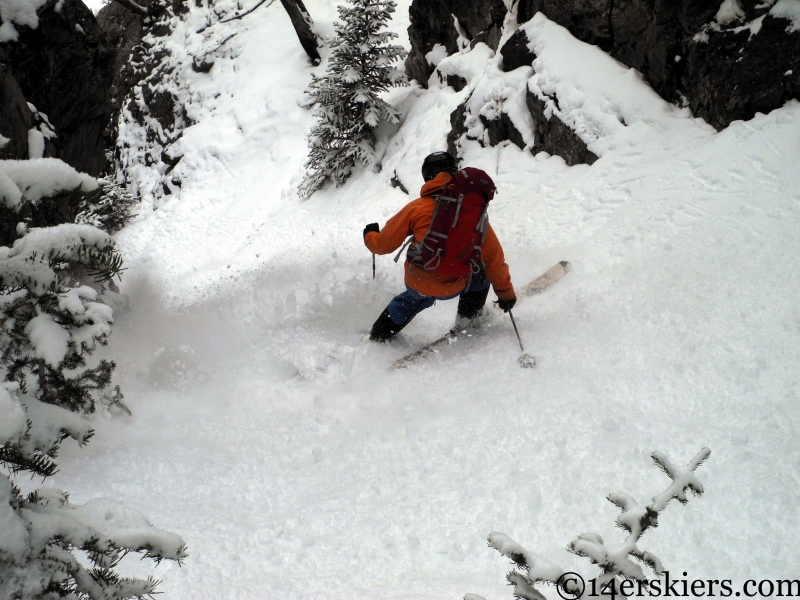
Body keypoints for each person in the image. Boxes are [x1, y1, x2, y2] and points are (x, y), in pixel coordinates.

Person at [363, 151, 516, 341]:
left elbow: (382, 246)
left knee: (413, 298)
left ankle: (380, 333)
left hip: (418, 281)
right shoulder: (474, 216)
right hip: (455, 284)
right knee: (481, 271)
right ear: (454, 174)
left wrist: (370, 234)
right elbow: (494, 259)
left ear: (427, 177)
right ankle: (467, 321)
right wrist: (505, 294)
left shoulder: (417, 208)